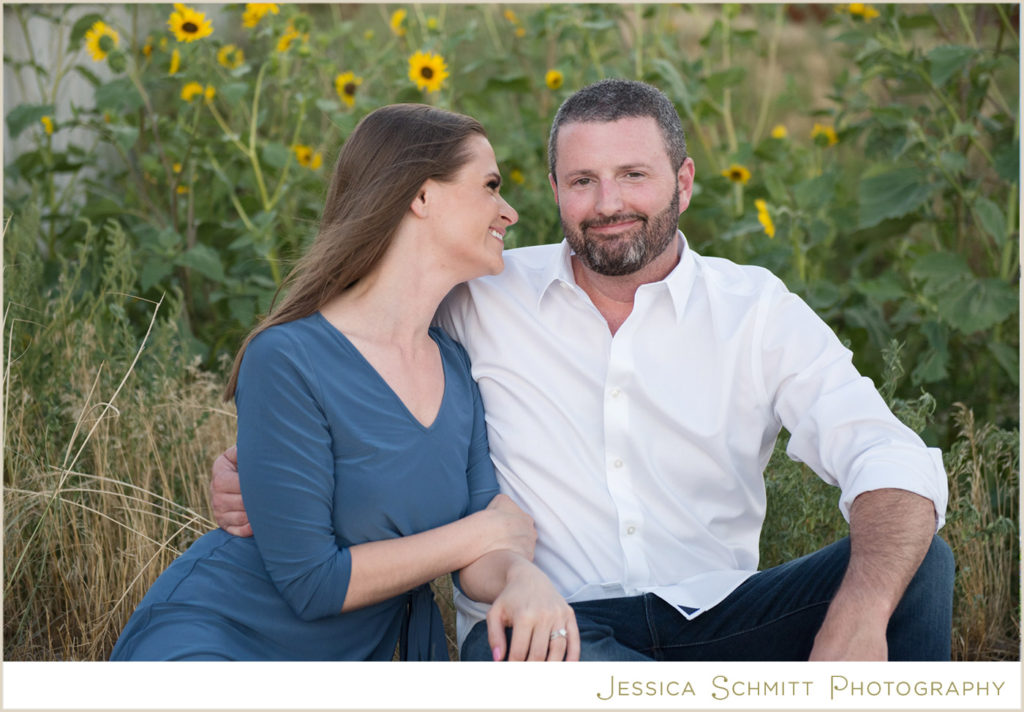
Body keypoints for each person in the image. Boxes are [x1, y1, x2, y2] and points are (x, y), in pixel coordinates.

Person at [212, 80, 954, 662]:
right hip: (545, 628)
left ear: (684, 181)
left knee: (916, 562)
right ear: (556, 189)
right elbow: (354, 359)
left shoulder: (752, 308)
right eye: (581, 181)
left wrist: (857, 620)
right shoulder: (482, 294)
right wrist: (257, 467)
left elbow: (885, 453)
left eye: (634, 175)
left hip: (717, 619)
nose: (608, 205)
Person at [111, 103, 545, 661]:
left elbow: (493, 538)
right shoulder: (288, 357)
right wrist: (480, 535)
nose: (507, 211)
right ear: (421, 197)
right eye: (490, 186)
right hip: (226, 640)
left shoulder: (456, 369)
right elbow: (313, 582)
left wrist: (520, 578)